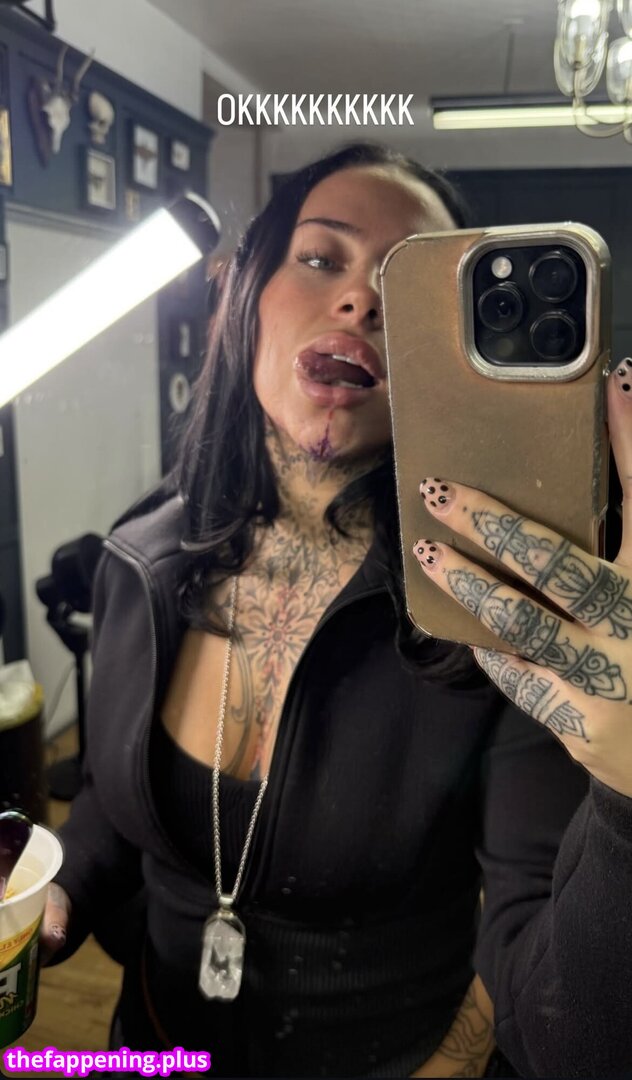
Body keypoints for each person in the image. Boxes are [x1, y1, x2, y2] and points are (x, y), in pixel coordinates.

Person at [41, 143, 632, 1079]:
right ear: (244, 295)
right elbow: (114, 810)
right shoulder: (141, 556)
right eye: (322, 257)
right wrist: (58, 889)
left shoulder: (497, 619)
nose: (361, 299)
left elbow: (562, 1029)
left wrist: (628, 803)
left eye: (405, 282)